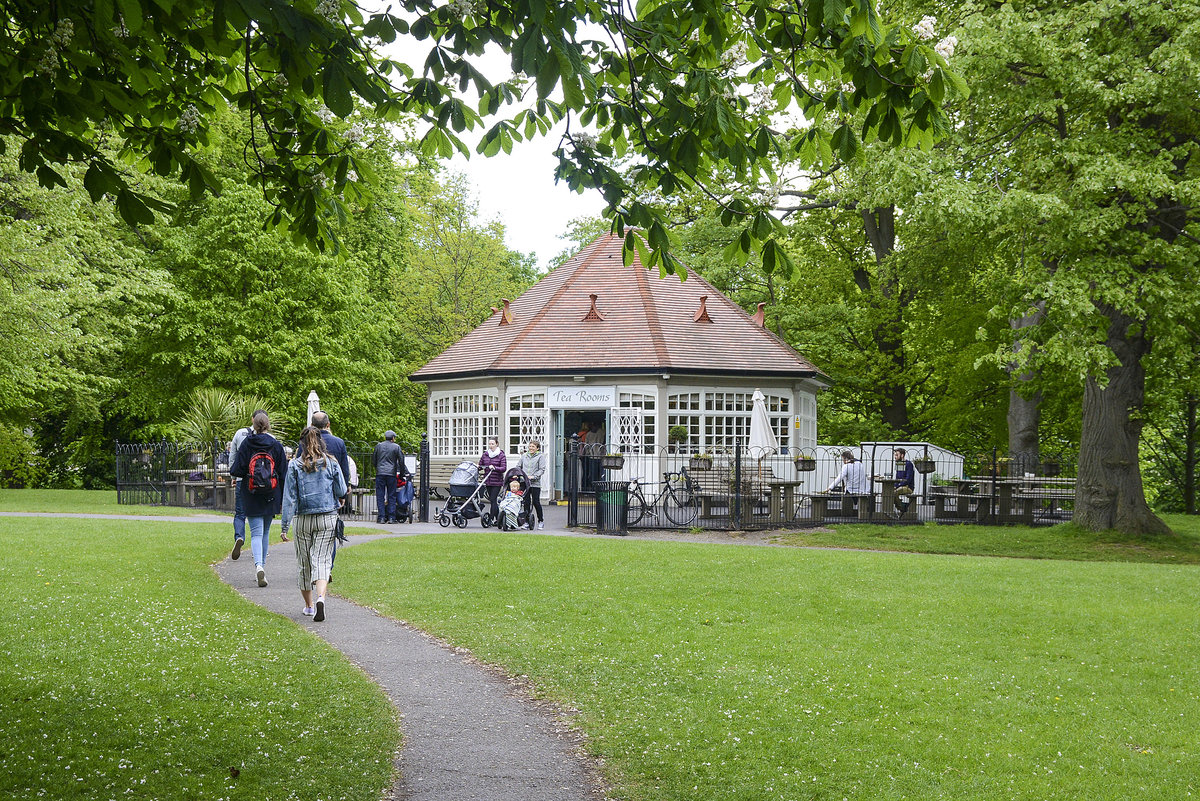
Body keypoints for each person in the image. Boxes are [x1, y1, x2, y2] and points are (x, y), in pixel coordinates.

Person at [280, 426, 347, 622]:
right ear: (321, 441)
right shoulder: (331, 462)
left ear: (301, 443)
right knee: (322, 561)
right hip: (327, 517)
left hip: (302, 519)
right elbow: (341, 489)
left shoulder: (294, 466)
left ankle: (309, 606)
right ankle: (321, 598)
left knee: (304, 563)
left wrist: (284, 526)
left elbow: (289, 498)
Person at [230, 411, 286, 587]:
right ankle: (262, 566)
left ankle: (258, 566)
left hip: (251, 492)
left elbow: (236, 470)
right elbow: (284, 472)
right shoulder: (276, 445)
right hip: (272, 493)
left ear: (253, 425)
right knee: (266, 532)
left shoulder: (247, 443)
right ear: (268, 425)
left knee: (255, 532)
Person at [228, 414, 258, 561]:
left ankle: (239, 536)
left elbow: (232, 456)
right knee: (256, 514)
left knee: (240, 513)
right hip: (260, 482)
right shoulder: (269, 437)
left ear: (253, 419)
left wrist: (233, 476)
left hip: (242, 479)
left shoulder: (240, 433)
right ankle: (257, 546)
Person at [372, 430, 405, 523]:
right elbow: (401, 462)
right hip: (391, 474)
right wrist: (402, 474)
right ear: (393, 438)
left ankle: (381, 517)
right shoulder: (396, 447)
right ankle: (391, 517)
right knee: (391, 495)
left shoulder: (378, 446)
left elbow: (374, 460)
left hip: (380, 473)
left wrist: (378, 468)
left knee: (380, 495)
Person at [518, 440, 547, 529]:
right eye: (530, 446)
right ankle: (526, 521)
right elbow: (519, 466)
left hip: (535, 483)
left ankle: (541, 521)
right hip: (524, 482)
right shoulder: (524, 456)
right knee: (526, 502)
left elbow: (542, 469)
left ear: (537, 448)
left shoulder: (540, 457)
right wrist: (518, 473)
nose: (531, 448)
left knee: (536, 502)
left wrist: (534, 476)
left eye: (533, 447)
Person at [478, 437, 507, 524]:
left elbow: (503, 468)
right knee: (492, 500)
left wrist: (495, 468)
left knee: (493, 499)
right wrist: (478, 467)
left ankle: (490, 519)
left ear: (496, 444)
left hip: (497, 481)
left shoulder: (501, 455)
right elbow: (481, 464)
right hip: (488, 480)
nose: (491, 446)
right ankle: (499, 520)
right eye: (489, 444)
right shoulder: (485, 454)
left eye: (492, 444)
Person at [887, 447, 916, 517]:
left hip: (908, 487)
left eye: (897, 455)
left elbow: (908, 479)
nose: (895, 457)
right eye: (895, 455)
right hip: (900, 486)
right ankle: (902, 506)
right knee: (888, 492)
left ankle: (902, 507)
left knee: (895, 492)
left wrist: (898, 486)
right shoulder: (899, 464)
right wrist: (895, 486)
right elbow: (898, 478)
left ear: (902, 455)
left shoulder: (909, 464)